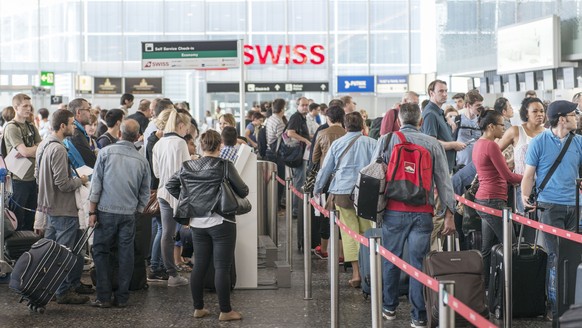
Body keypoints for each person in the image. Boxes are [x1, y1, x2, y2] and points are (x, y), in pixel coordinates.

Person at [375, 103, 456, 327]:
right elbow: (444, 182)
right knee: (418, 264)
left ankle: (389, 307)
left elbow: (373, 173)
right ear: (420, 122)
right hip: (423, 213)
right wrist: (449, 213)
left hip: (393, 211)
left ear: (399, 121)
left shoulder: (387, 140)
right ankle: (418, 315)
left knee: (391, 259)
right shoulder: (431, 143)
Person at [166, 130, 248, 322]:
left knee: (199, 265)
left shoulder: (188, 166)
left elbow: (171, 185)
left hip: (197, 223)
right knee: (222, 267)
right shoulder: (225, 165)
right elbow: (243, 190)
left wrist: (192, 200)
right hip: (221, 221)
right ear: (220, 146)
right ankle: (226, 311)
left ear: (201, 146)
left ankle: (198, 308)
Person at [521, 100, 582, 320]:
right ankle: (557, 310)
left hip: (576, 207)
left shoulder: (579, 142)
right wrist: (524, 196)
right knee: (557, 257)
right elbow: (529, 175)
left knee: (575, 258)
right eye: (574, 114)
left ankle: (573, 307)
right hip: (549, 207)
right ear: (563, 119)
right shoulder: (539, 142)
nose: (578, 117)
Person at [314, 112, 376, 288]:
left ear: (345, 126)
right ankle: (368, 272)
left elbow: (326, 169)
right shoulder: (372, 143)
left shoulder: (337, 144)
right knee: (367, 233)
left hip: (342, 192)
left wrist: (317, 189)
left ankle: (356, 274)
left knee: (350, 233)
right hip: (366, 192)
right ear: (363, 125)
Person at [35, 109, 91, 304]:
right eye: (72, 123)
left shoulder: (44, 145)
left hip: (51, 207)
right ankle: (62, 291)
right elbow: (63, 184)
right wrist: (81, 180)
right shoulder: (58, 149)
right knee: (64, 252)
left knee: (52, 252)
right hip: (64, 209)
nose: (74, 126)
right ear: (62, 126)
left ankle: (49, 288)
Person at [472, 110, 522, 285]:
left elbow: (493, 169)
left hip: (483, 200)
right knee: (511, 245)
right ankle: (510, 288)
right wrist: (530, 178)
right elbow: (508, 177)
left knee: (487, 248)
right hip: (493, 200)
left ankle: (485, 288)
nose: (504, 128)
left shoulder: (479, 143)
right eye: (502, 124)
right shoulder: (492, 145)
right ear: (491, 126)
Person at [152, 109, 192, 287]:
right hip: (179, 193)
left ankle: (169, 272)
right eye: (187, 128)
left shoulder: (158, 144)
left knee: (166, 234)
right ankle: (174, 274)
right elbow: (187, 170)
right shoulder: (181, 143)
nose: (187, 132)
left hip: (163, 193)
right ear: (181, 125)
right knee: (179, 232)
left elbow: (157, 172)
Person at [497, 97, 546, 213]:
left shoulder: (548, 133)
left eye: (542, 111)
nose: (539, 114)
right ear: (526, 113)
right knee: (526, 224)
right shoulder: (516, 131)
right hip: (522, 185)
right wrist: (506, 169)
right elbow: (495, 151)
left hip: (543, 186)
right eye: (535, 111)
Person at [311, 105, 346, 259]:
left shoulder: (322, 133)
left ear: (328, 118)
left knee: (326, 212)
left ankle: (324, 248)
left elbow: (314, 158)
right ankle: (342, 253)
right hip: (344, 180)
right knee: (344, 215)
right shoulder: (348, 133)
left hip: (326, 180)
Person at [3, 93, 41, 231]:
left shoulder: (31, 126)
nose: (28, 109)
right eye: (25, 106)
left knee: (31, 218)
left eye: (29, 106)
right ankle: (16, 251)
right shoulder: (12, 127)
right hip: (18, 179)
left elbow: (41, 148)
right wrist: (32, 150)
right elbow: (25, 151)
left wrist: (28, 150)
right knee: (18, 219)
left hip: (33, 178)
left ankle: (29, 249)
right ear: (15, 107)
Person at [64, 98, 97, 168]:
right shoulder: (76, 134)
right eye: (88, 110)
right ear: (78, 112)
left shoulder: (78, 132)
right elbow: (91, 162)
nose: (90, 113)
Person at [454, 89, 483, 167]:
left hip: (477, 165)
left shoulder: (482, 121)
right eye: (477, 105)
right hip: (460, 165)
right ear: (468, 105)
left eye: (481, 105)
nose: (480, 108)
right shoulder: (457, 120)